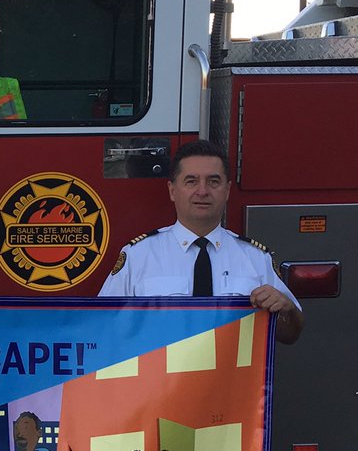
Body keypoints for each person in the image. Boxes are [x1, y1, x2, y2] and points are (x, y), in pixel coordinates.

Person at [99, 139, 303, 344]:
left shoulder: (256, 257)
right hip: (161, 366)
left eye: (213, 182)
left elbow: (291, 334)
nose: (203, 191)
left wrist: (286, 310)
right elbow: (104, 326)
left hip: (232, 366)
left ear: (227, 190)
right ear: (172, 190)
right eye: (191, 181)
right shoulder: (138, 255)